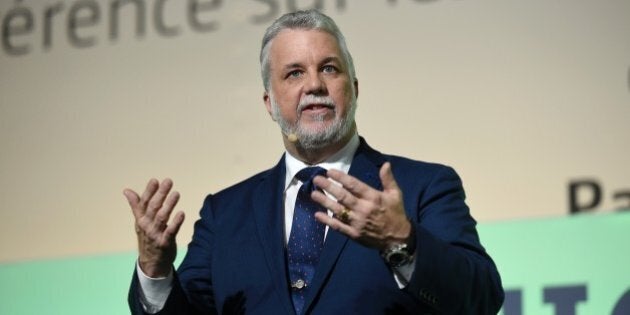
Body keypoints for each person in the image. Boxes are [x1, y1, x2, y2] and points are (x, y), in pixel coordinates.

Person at [125, 10, 504, 315]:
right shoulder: (224, 215)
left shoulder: (422, 187)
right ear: (270, 104)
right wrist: (155, 270)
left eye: (329, 68)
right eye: (294, 73)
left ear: (353, 89)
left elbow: (482, 300)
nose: (314, 86)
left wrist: (401, 241)